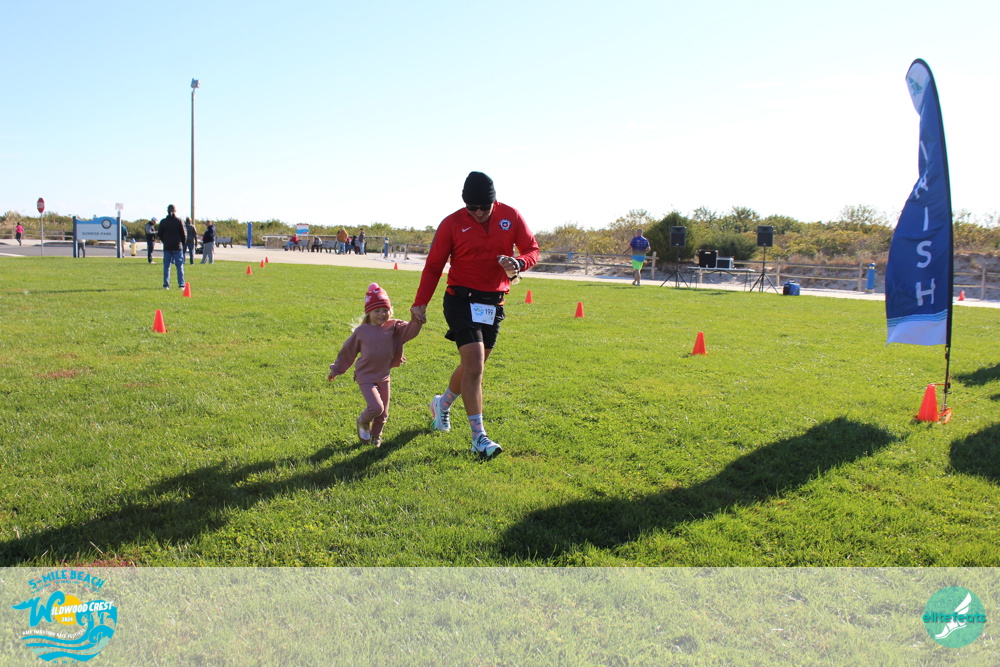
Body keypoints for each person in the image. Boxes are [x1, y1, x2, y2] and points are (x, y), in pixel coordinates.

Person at [410, 171, 539, 459]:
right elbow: (434, 266)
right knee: (475, 364)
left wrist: (519, 262)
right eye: (472, 207)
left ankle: (442, 404)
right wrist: (420, 303)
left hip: (493, 303)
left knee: (474, 365)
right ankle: (479, 437)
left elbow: (532, 249)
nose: (478, 213)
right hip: (460, 300)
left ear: (494, 202)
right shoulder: (452, 223)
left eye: (484, 207)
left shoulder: (511, 216)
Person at [328, 283, 423, 448]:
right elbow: (347, 352)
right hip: (365, 376)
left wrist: (417, 321)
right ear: (369, 312)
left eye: (385, 310)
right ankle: (362, 420)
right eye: (377, 311)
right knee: (376, 407)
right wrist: (336, 370)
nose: (382, 314)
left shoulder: (394, 327)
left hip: (383, 376)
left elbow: (410, 332)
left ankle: (375, 437)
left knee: (383, 412)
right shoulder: (361, 332)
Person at [158, 205, 186, 290]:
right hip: (177, 246)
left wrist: (165, 241)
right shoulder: (179, 221)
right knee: (179, 266)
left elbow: (160, 234)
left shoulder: (163, 221)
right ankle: (181, 284)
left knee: (166, 266)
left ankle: (166, 284)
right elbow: (183, 233)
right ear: (175, 211)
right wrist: (182, 243)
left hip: (167, 246)